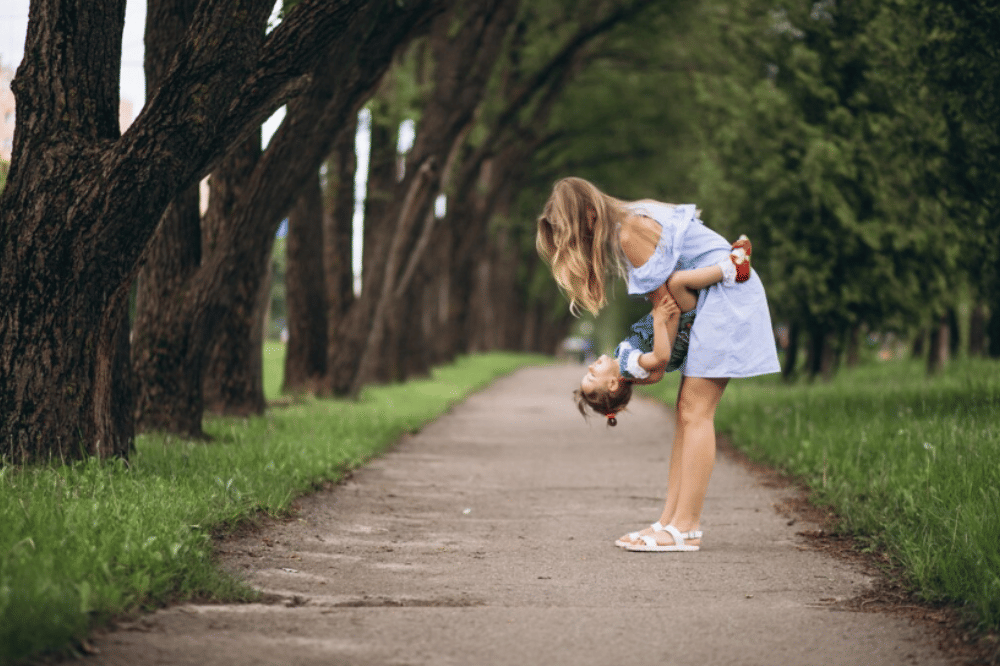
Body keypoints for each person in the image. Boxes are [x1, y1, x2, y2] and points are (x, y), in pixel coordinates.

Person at [537, 177, 780, 552]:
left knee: (695, 413)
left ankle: (686, 527)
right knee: (687, 413)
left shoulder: (627, 233)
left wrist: (657, 361)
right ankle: (669, 521)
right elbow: (672, 306)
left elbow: (665, 309)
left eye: (573, 236)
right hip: (711, 299)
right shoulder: (635, 212)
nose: (576, 248)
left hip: (725, 298)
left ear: (588, 214)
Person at [577, 238, 754, 425]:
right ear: (612, 383)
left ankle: (716, 272)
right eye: (593, 375)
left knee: (674, 282)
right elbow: (660, 358)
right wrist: (663, 321)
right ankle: (733, 268)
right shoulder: (627, 363)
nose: (590, 367)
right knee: (677, 282)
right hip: (680, 326)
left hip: (677, 327)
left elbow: (657, 374)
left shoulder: (628, 370)